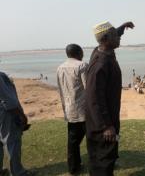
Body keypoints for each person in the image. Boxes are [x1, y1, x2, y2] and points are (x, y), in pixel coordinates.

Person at [85, 21, 134, 176]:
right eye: (115, 35)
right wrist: (105, 126)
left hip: (109, 119)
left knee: (109, 155)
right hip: (102, 125)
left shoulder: (102, 49)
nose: (119, 38)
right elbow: (94, 98)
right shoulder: (100, 63)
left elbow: (111, 35)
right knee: (102, 160)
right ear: (106, 38)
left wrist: (121, 28)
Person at [57, 44, 88, 175]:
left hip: (69, 109)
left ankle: (73, 168)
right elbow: (89, 88)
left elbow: (60, 89)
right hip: (84, 110)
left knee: (73, 141)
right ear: (79, 53)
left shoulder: (60, 68)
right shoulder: (82, 66)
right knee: (92, 138)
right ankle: (96, 163)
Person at [0, 71, 34, 176]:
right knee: (13, 142)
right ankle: (18, 172)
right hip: (6, 115)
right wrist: (21, 115)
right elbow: (8, 100)